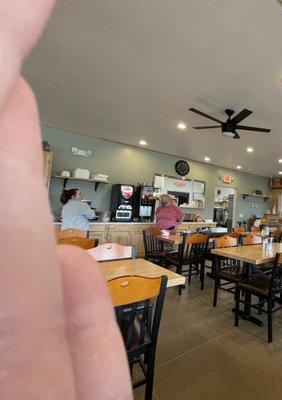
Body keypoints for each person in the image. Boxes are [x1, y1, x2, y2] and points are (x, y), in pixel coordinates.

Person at [0, 1, 132, 398]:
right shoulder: (80, 207)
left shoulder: (67, 209)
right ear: (74, 190)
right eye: (76, 191)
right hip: (83, 248)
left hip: (76, 249)